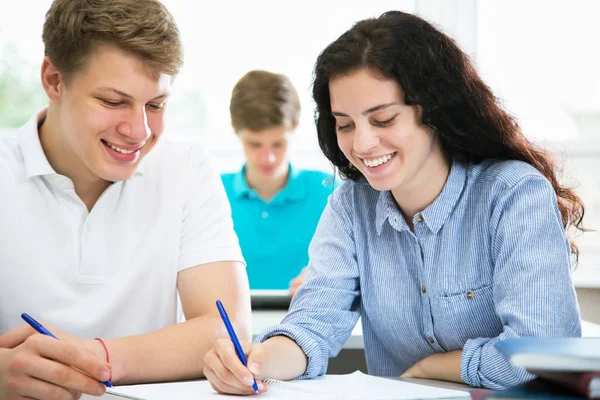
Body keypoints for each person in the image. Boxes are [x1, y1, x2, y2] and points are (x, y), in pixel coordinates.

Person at [202, 10, 584, 394]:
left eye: (383, 119)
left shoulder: (513, 194)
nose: (362, 144)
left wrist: (435, 367)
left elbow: (539, 353)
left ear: (434, 110)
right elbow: (310, 327)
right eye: (345, 124)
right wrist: (256, 360)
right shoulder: (349, 208)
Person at [0, 1, 250, 399]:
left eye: (156, 105)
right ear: (53, 80)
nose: (139, 131)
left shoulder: (184, 168)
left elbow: (228, 329)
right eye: (113, 102)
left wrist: (92, 358)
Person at [221, 70, 337, 295]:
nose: (268, 158)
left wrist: (330, 282)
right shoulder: (211, 195)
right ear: (235, 129)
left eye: (278, 144)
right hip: (231, 329)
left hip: (307, 325)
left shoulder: (331, 193)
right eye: (255, 144)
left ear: (294, 129)